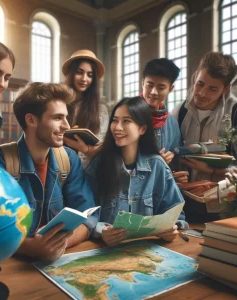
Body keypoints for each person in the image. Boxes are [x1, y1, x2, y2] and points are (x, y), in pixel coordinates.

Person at [0, 82, 97, 262]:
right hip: (12, 267)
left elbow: (89, 215)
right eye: (57, 118)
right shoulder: (0, 164)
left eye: (66, 117)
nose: (66, 126)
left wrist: (58, 243)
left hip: (59, 261)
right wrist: (29, 248)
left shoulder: (68, 160)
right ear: (31, 120)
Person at [85, 96, 187, 246]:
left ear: (143, 129)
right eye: (115, 120)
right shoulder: (99, 164)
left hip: (147, 251)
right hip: (108, 252)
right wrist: (101, 231)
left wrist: (171, 229)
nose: (118, 127)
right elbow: (85, 212)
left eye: (126, 121)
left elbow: (176, 213)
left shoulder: (157, 166)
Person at [172, 52, 237, 182]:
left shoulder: (234, 112)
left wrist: (211, 170)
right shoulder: (179, 112)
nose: (202, 93)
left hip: (222, 200)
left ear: (226, 89)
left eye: (213, 89)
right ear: (195, 76)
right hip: (185, 198)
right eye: (200, 84)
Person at [62, 49, 109, 168]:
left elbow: (103, 148)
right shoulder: (59, 103)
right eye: (79, 72)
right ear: (71, 74)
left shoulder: (100, 110)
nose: (84, 79)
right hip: (59, 167)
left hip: (88, 171)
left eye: (90, 75)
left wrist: (86, 149)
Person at [141, 58, 181, 166]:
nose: (154, 92)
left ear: (170, 88)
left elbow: (176, 151)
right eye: (149, 85)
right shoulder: (127, 114)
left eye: (161, 87)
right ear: (142, 83)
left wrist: (171, 155)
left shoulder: (172, 123)